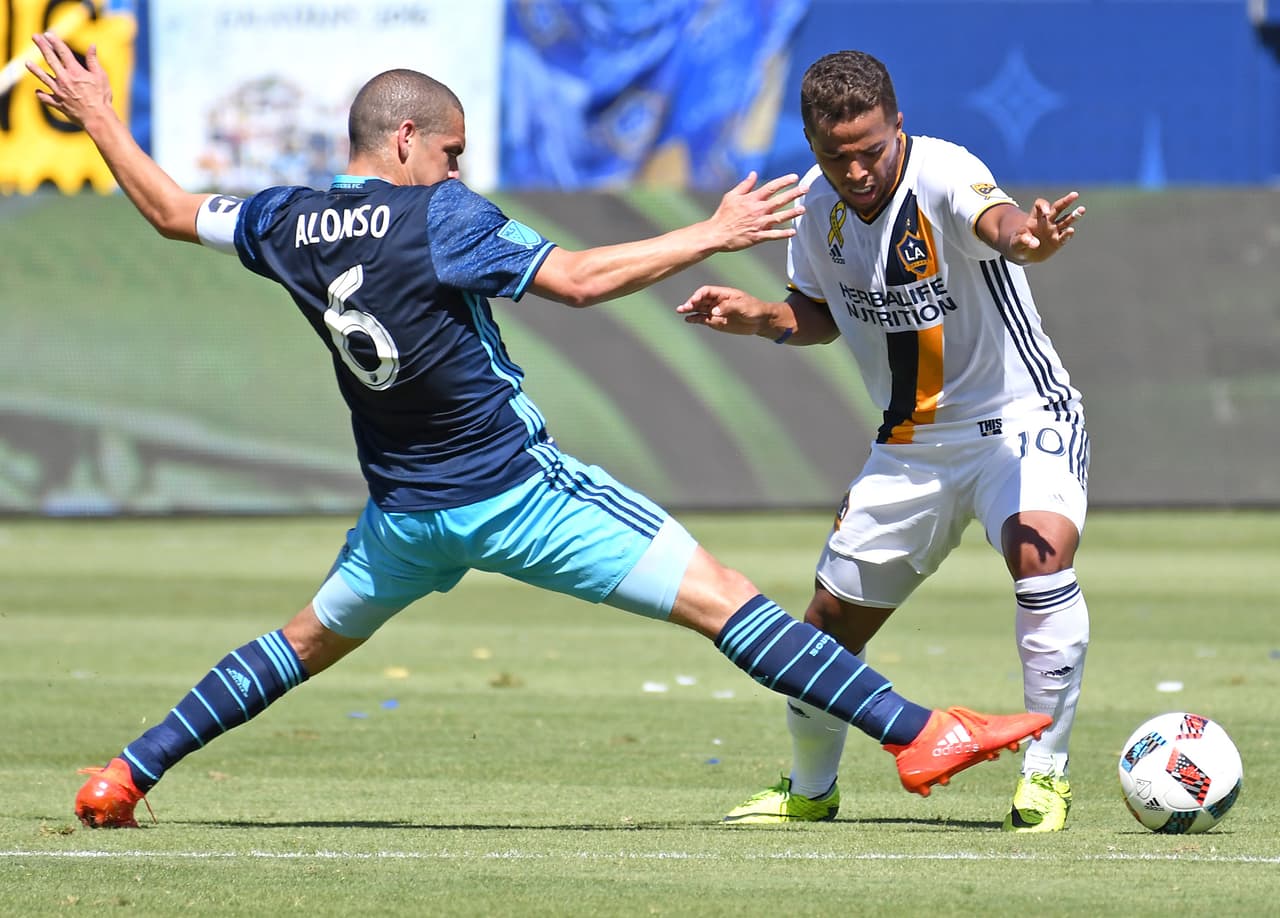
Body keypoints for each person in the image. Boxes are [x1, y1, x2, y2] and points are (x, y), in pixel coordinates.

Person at [29, 33, 1048, 830]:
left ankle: (129, 769)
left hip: (403, 515)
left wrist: (99, 118)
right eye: (452, 150)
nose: (460, 168)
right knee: (726, 602)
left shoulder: (284, 220)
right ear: (403, 143)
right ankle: (918, 735)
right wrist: (712, 231)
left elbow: (167, 210)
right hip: (515, 494)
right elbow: (575, 280)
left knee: (298, 642)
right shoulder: (441, 217)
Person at [678, 50, 1090, 833]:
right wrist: (760, 318)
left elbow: (997, 223)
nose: (858, 170)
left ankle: (1046, 776)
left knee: (1041, 557)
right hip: (909, 445)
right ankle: (810, 791)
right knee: (825, 628)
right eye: (838, 156)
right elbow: (818, 313)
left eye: (870, 148)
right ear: (811, 143)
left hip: (1022, 416)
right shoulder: (815, 211)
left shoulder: (942, 171)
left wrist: (1028, 241)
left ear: (896, 123)